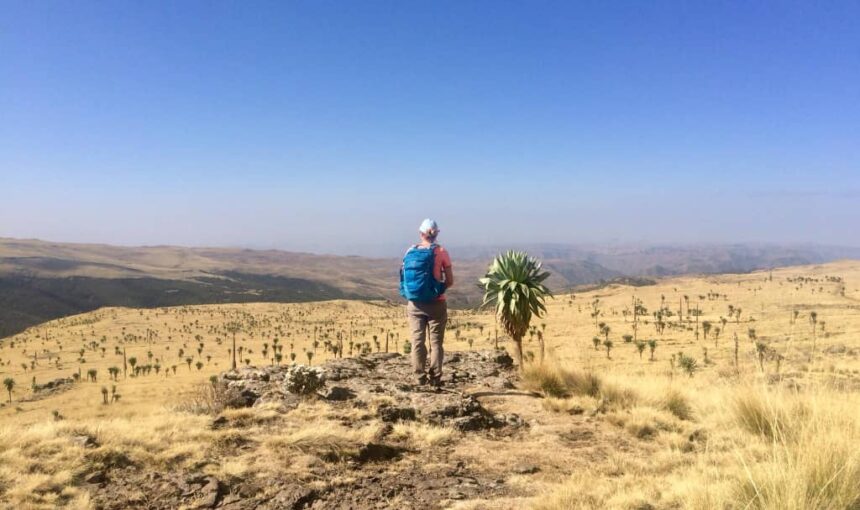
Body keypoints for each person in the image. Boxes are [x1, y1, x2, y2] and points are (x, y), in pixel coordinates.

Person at [399, 218, 454, 387]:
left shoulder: (410, 251)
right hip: (436, 304)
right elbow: (450, 280)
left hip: (414, 304)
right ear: (436, 233)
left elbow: (403, 276)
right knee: (436, 343)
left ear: (421, 233)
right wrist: (438, 290)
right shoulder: (441, 251)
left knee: (417, 341)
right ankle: (435, 378)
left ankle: (419, 377)